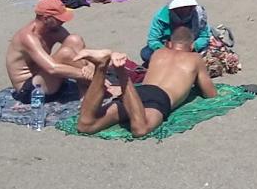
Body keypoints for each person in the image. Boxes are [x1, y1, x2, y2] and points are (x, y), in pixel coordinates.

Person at [75, 27, 217, 137]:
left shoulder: (158, 53)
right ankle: (121, 73)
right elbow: (210, 94)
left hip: (138, 93)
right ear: (191, 46)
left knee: (86, 125)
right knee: (140, 129)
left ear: (168, 43)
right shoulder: (195, 58)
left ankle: (101, 66)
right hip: (160, 98)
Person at [4, 0, 109, 103]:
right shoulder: (28, 37)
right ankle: (96, 85)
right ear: (46, 19)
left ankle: (86, 89)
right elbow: (52, 68)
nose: (62, 22)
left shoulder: (52, 29)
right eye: (59, 19)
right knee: (65, 54)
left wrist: (90, 65)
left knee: (75, 39)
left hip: (46, 78)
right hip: (31, 90)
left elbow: (77, 48)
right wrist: (90, 76)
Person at [144, 0, 210, 63]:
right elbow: (153, 40)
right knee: (146, 54)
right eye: (180, 8)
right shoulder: (161, 17)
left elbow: (204, 36)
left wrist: (194, 46)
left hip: (190, 47)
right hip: (167, 47)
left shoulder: (198, 15)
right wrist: (164, 49)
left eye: (186, 6)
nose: (184, 10)